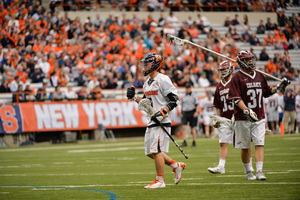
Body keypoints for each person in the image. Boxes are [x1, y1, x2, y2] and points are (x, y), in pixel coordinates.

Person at [126, 53, 186, 189]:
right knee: (150, 152)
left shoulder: (163, 79)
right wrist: (134, 97)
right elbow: (146, 103)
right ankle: (176, 165)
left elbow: (175, 99)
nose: (144, 66)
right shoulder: (147, 83)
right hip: (152, 119)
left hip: (162, 120)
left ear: (154, 64)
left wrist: (163, 111)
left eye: (147, 63)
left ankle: (160, 180)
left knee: (156, 150)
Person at [229, 50, 289, 180]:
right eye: (247, 60)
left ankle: (260, 171)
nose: (250, 62)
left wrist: (278, 88)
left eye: (251, 59)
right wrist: (246, 110)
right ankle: (248, 171)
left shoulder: (259, 75)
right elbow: (235, 97)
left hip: (259, 116)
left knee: (259, 143)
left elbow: (266, 92)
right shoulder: (237, 77)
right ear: (241, 62)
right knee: (245, 147)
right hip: (243, 117)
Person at [208, 61, 253, 174]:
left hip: (238, 117)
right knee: (223, 142)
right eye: (221, 70)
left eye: (224, 70)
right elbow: (218, 104)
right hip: (225, 119)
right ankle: (221, 166)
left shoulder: (237, 82)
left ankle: (250, 166)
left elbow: (244, 99)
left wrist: (240, 112)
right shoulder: (219, 86)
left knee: (245, 143)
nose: (222, 72)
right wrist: (217, 118)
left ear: (231, 70)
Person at [180, 83, 200, 147]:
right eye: (186, 88)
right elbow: (182, 105)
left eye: (188, 88)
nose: (187, 89)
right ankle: (184, 141)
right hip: (185, 112)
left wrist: (196, 112)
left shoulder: (194, 95)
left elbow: (197, 104)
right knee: (183, 127)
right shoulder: (183, 96)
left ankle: (194, 141)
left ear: (190, 88)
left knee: (193, 127)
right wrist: (181, 113)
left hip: (192, 112)